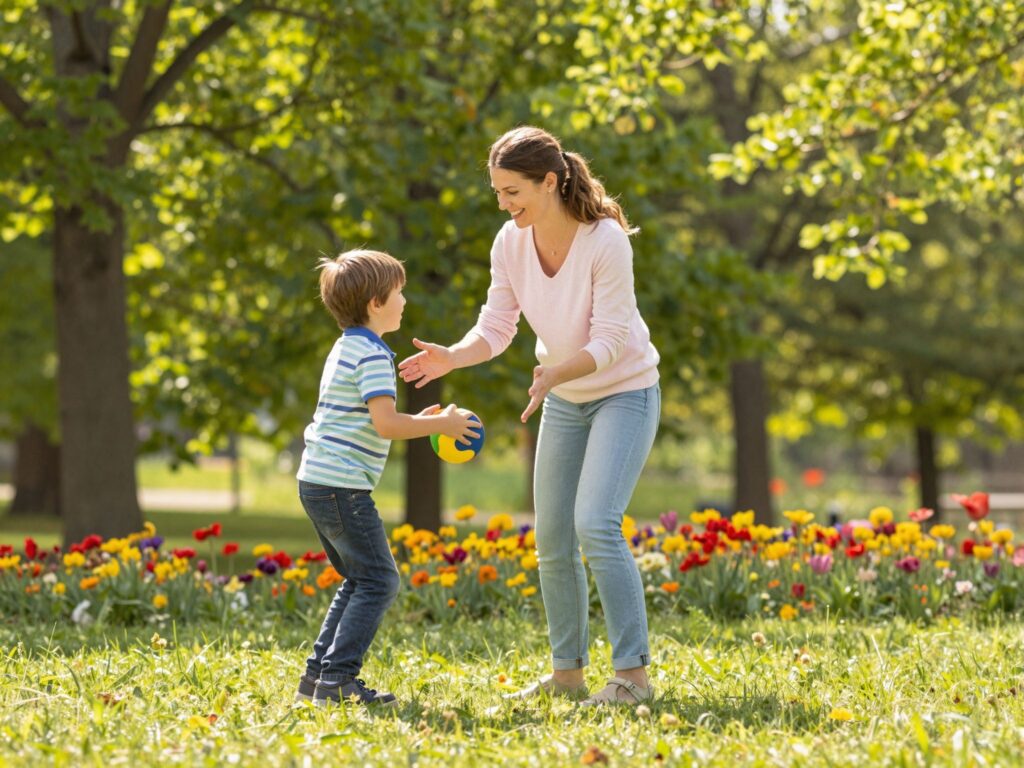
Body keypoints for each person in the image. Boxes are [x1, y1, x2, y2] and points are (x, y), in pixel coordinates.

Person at [398, 126, 660, 705]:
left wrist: (555, 374)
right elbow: (497, 326)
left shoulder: (605, 240)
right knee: (550, 537)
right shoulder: (510, 242)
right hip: (564, 398)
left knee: (595, 522)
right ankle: (568, 675)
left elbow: (613, 340)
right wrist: (453, 356)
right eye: (496, 191)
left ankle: (633, 680)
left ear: (550, 181)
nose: (503, 204)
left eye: (512, 191)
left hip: (624, 392)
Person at [294, 249, 479, 707]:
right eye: (399, 291)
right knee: (379, 580)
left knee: (358, 579)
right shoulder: (374, 355)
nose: (404, 300)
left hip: (317, 479)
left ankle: (317, 678)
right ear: (376, 302)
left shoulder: (346, 346)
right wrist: (440, 425)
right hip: (342, 486)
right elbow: (386, 425)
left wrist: (417, 417)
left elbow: (377, 418)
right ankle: (337, 681)